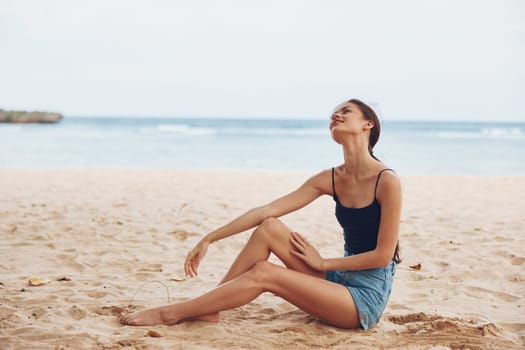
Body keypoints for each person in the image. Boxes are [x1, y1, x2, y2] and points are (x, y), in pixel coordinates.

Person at [119, 98, 402, 330]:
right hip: (337, 280)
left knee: (265, 273)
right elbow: (267, 211)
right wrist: (210, 238)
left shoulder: (386, 181)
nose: (336, 115)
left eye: (345, 111)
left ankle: (172, 313)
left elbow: (382, 255)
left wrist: (322, 261)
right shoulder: (330, 178)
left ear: (368, 124)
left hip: (362, 298)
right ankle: (209, 308)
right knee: (269, 227)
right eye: (333, 113)